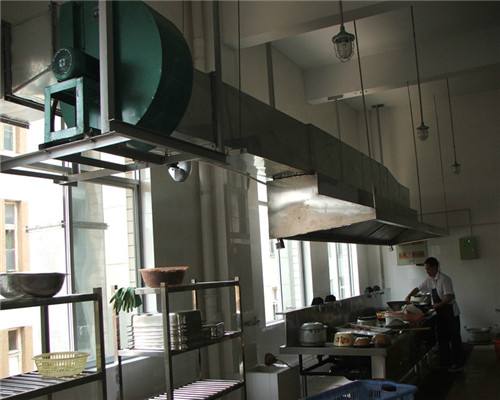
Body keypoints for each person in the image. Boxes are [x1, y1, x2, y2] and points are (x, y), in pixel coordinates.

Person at [405, 256, 464, 372]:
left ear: (435, 267)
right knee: (442, 338)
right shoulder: (429, 280)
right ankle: (445, 362)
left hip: (450, 312)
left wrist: (438, 305)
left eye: (428, 269)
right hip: (440, 313)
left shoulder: (445, 279)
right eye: (426, 269)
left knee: (454, 338)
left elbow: (449, 296)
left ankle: (458, 363)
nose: (426, 271)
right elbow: (418, 288)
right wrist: (408, 296)